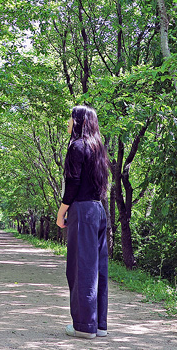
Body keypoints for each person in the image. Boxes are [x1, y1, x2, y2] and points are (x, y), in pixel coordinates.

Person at [56, 105, 109, 339]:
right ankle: (99, 325)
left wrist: (61, 212)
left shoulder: (76, 147)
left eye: (70, 118)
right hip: (98, 210)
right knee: (98, 268)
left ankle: (84, 327)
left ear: (78, 121)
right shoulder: (98, 148)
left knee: (81, 268)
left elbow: (73, 184)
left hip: (83, 211)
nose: (67, 122)